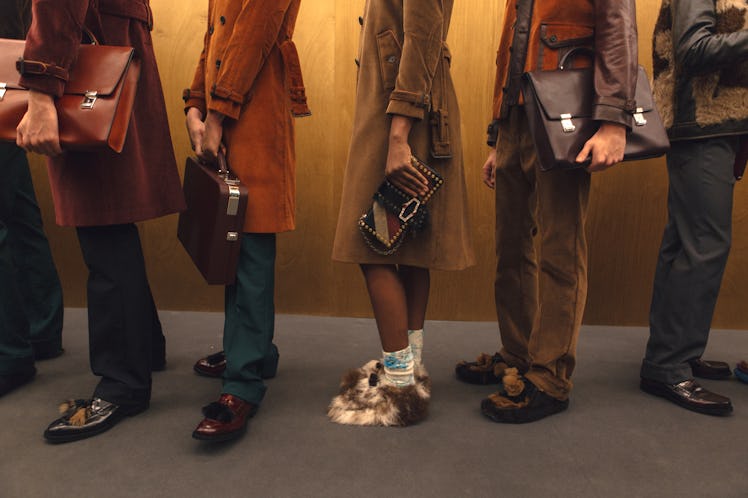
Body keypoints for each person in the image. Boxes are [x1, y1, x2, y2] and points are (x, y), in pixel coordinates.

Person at [455, 0, 638, 423]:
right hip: (519, 115)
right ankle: (518, 354)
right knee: (511, 247)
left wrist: (613, 121)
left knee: (561, 248)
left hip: (564, 113)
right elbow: (516, 45)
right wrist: (499, 132)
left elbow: (619, 29)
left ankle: (550, 376)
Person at [16, 0, 185, 442]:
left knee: (101, 219)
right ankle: (143, 349)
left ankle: (123, 383)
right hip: (111, 48)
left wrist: (39, 87)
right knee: (113, 211)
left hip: (85, 61)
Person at [328, 0, 475, 427]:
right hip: (403, 107)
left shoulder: (400, 122)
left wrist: (398, 132)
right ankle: (410, 369)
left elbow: (423, 36)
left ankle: (398, 386)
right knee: (409, 243)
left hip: (403, 114)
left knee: (371, 244)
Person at [184, 0, 310, 442]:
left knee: (251, 243)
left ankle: (242, 383)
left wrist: (215, 113)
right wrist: (195, 105)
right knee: (230, 239)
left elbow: (254, 32)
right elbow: (214, 36)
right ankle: (253, 349)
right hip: (224, 109)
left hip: (254, 113)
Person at [639, 0, 748, 416]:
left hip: (717, 124)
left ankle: (675, 352)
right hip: (700, 122)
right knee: (703, 243)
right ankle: (667, 365)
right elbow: (692, 50)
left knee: (685, 243)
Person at [0, 0, 65, 399]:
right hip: (10, 59)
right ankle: (41, 330)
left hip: (9, 57)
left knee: (13, 211)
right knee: (18, 209)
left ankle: (8, 354)